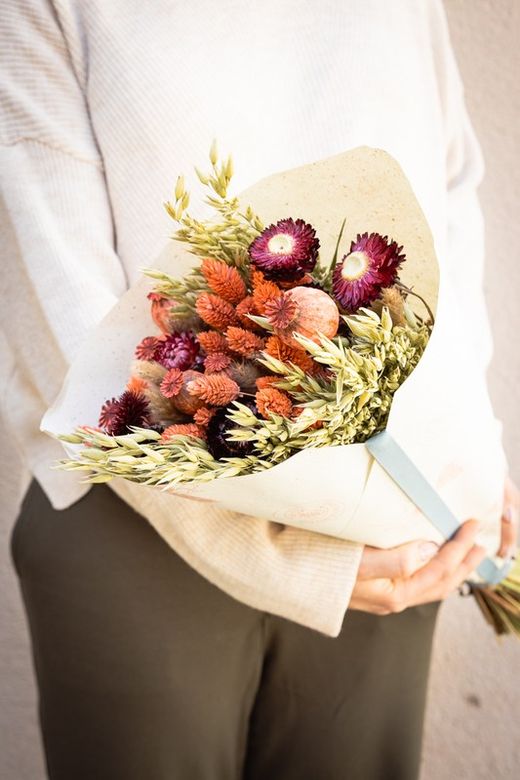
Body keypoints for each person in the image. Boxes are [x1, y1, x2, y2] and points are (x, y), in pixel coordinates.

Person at [1, 1, 518, 778]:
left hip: (384, 521)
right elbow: (77, 341)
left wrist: (474, 451)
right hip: (138, 523)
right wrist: (294, 567)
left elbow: (450, 192)